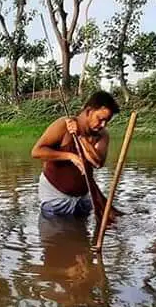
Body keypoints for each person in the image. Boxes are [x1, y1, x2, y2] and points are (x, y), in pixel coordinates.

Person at [31, 90, 120, 218]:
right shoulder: (63, 125)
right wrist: (70, 156)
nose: (103, 125)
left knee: (81, 235)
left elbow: (98, 163)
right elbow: (36, 152)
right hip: (55, 201)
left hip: (82, 200)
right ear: (89, 111)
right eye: (100, 119)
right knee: (55, 235)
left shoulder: (102, 135)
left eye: (107, 121)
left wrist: (81, 136)